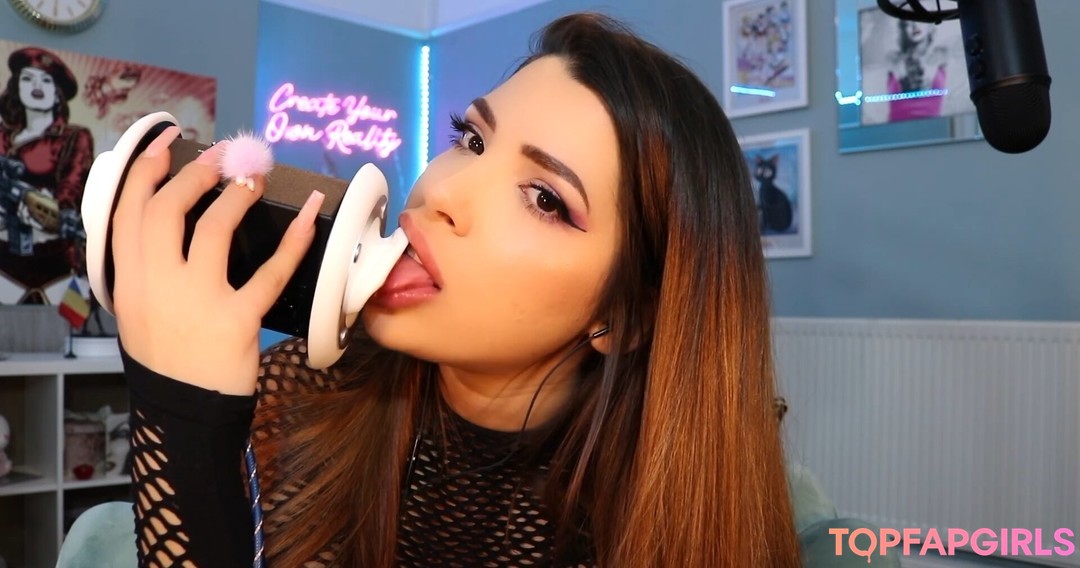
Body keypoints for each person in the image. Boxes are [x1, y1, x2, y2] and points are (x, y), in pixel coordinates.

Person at [112, 12, 801, 567]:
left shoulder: (660, 521)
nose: (442, 192)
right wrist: (185, 417)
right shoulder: (296, 394)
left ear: (626, 316)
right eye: (471, 140)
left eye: (545, 198)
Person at [0, 46, 94, 304]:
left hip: (59, 264)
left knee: (71, 324)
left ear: (56, 94)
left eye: (46, 80)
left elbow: (72, 187)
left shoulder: (74, 137)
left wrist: (50, 210)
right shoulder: (3, 137)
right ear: (16, 87)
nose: (36, 86)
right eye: (27, 78)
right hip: (5, 265)